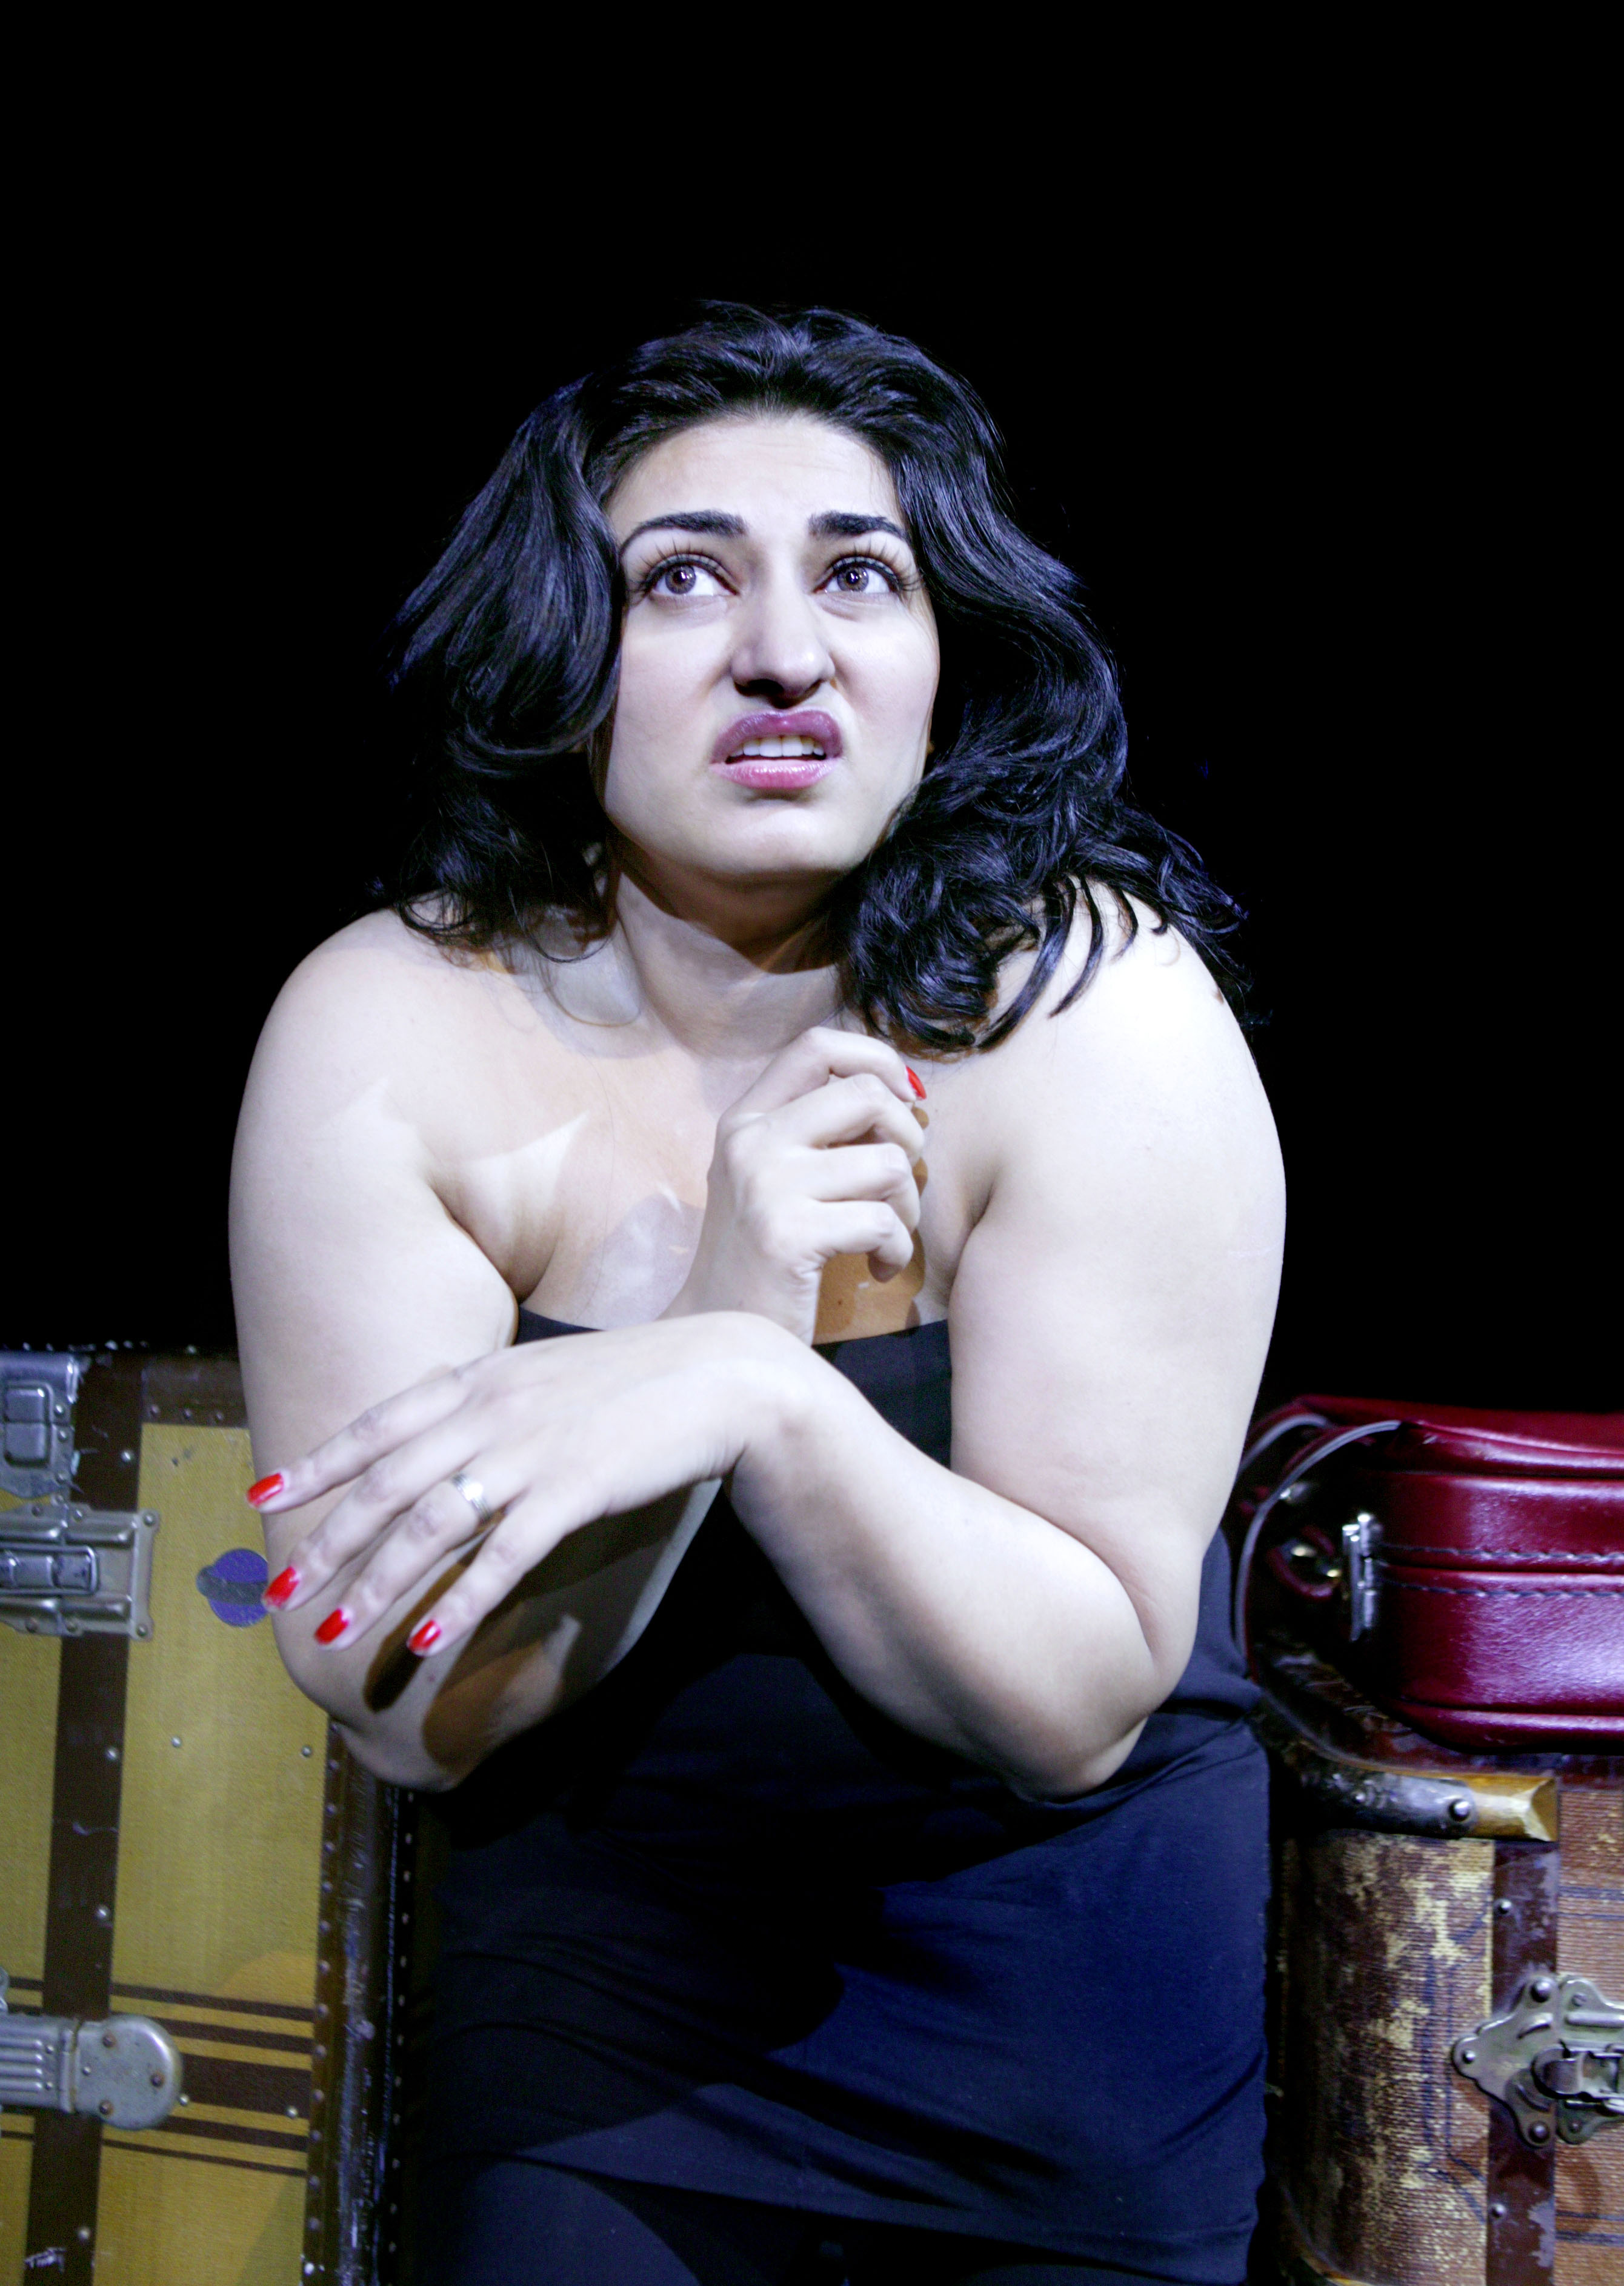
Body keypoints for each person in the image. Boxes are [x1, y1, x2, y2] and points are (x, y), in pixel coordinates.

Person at [230, 306, 1285, 2285]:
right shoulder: (389, 1029)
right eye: (684, 578)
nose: (785, 653)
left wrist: (760, 1393)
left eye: (860, 575)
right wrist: (721, 1297)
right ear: (559, 647)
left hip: (1053, 2036)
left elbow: (1074, 1698)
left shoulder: (1092, 1006)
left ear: (943, 655)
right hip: (602, 2027)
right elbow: (414, 1710)